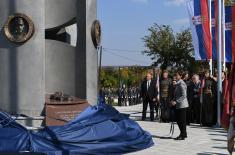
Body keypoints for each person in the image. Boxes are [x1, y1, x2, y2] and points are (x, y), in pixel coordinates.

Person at [171, 71, 189, 140]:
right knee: (179, 120)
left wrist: (176, 101)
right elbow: (176, 94)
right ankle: (183, 133)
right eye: (175, 75)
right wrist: (173, 100)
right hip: (178, 105)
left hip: (182, 105)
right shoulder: (178, 84)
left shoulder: (181, 84)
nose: (176, 76)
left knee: (181, 121)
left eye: (177, 75)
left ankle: (183, 134)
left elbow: (184, 95)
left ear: (181, 76)